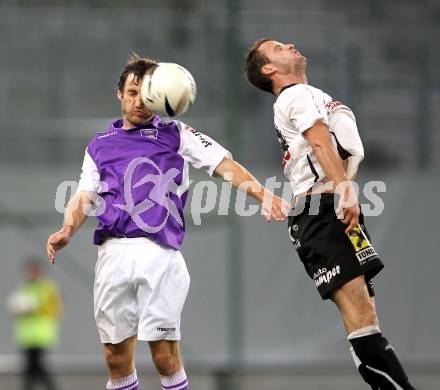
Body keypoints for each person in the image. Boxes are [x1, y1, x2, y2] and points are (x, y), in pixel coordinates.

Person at [46, 54, 286, 390]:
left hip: (160, 254)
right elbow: (85, 194)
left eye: (146, 94)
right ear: (120, 94)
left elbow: (222, 164)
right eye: (132, 93)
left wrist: (265, 195)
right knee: (116, 358)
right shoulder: (99, 145)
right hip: (113, 253)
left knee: (164, 356)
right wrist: (67, 230)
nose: (139, 102)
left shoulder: (176, 133)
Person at [244, 38, 416, 390]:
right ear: (268, 69)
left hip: (326, 209)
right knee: (363, 318)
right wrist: (344, 188)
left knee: (364, 321)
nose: (289, 45)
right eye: (277, 47)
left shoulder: (305, 95)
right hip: (323, 208)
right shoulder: (294, 95)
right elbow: (320, 142)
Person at [7, 258, 62, 390]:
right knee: (32, 367)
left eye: (34, 271)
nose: (31, 274)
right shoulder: (24, 288)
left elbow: (55, 308)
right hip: (26, 335)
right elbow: (16, 307)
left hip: (41, 334)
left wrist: (34, 309)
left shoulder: (47, 288)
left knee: (35, 366)